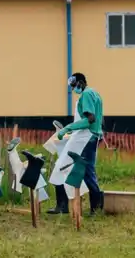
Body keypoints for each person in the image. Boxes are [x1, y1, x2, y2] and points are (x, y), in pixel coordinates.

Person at [49, 72, 105, 215]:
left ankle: (62, 206)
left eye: (74, 86)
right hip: (94, 137)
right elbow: (97, 119)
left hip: (85, 137)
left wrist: (68, 128)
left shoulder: (86, 94)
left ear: (80, 82)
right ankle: (96, 209)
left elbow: (90, 119)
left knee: (61, 166)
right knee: (88, 171)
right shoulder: (95, 94)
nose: (74, 89)